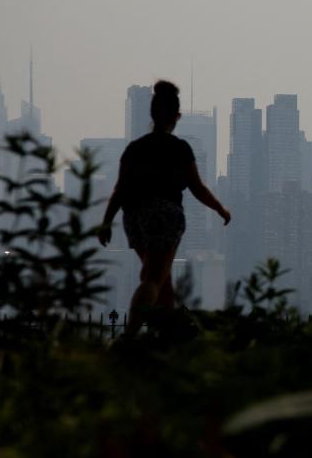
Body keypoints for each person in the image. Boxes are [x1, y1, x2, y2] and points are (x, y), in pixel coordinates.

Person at [98, 80, 230, 335]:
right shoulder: (179, 148)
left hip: (133, 218)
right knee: (153, 280)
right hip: (164, 215)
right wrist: (220, 209)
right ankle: (129, 337)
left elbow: (120, 190)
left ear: (152, 114)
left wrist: (106, 222)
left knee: (162, 282)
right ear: (177, 116)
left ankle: (166, 338)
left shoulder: (134, 149)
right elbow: (197, 188)